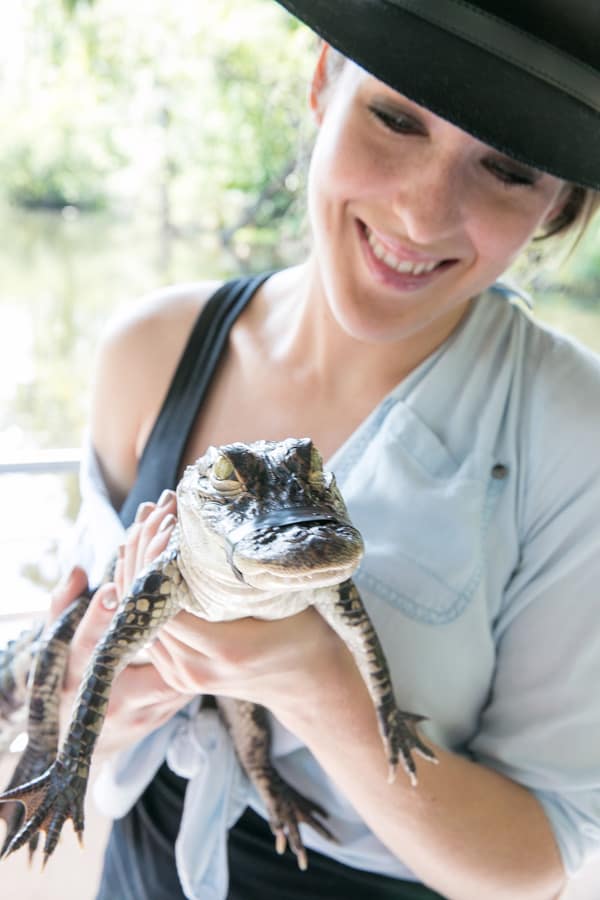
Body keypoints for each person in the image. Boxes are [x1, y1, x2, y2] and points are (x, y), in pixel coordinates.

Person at [48, 2, 600, 898]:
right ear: (322, 82)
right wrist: (92, 693)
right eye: (395, 117)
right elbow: (86, 711)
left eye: (505, 168)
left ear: (557, 208)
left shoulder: (579, 434)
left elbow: (533, 868)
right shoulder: (148, 348)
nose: (422, 214)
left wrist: (314, 678)